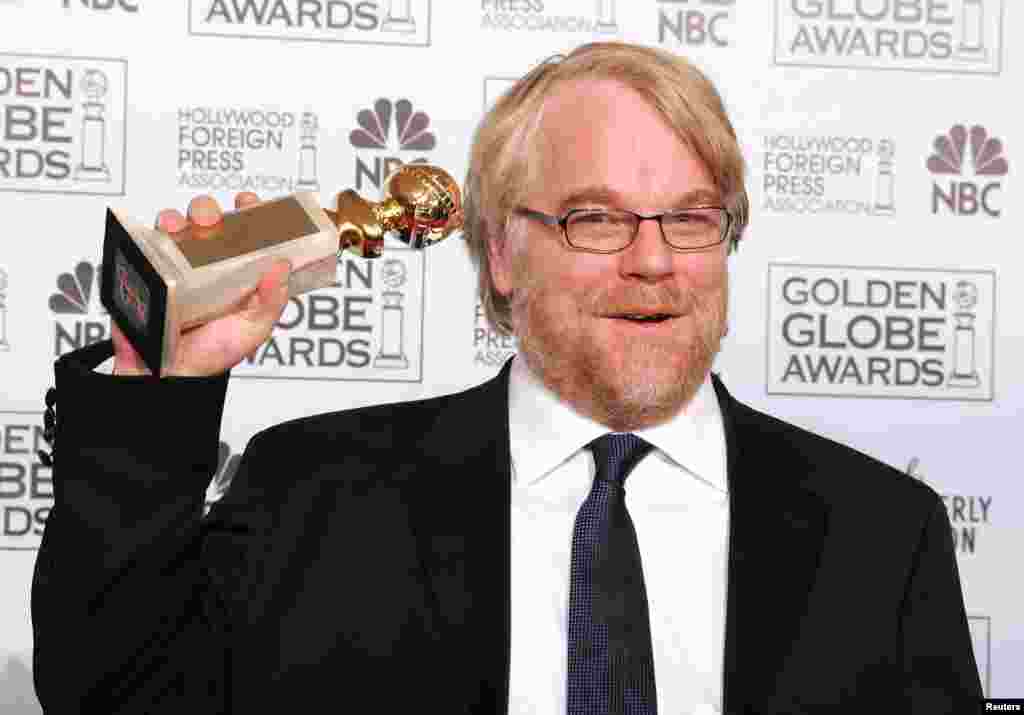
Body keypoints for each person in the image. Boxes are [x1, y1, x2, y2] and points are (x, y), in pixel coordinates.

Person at [32, 42, 981, 714]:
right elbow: (108, 691)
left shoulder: (880, 535)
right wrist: (155, 387)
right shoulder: (314, 490)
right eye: (596, 219)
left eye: (691, 219)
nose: (653, 263)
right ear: (499, 254)